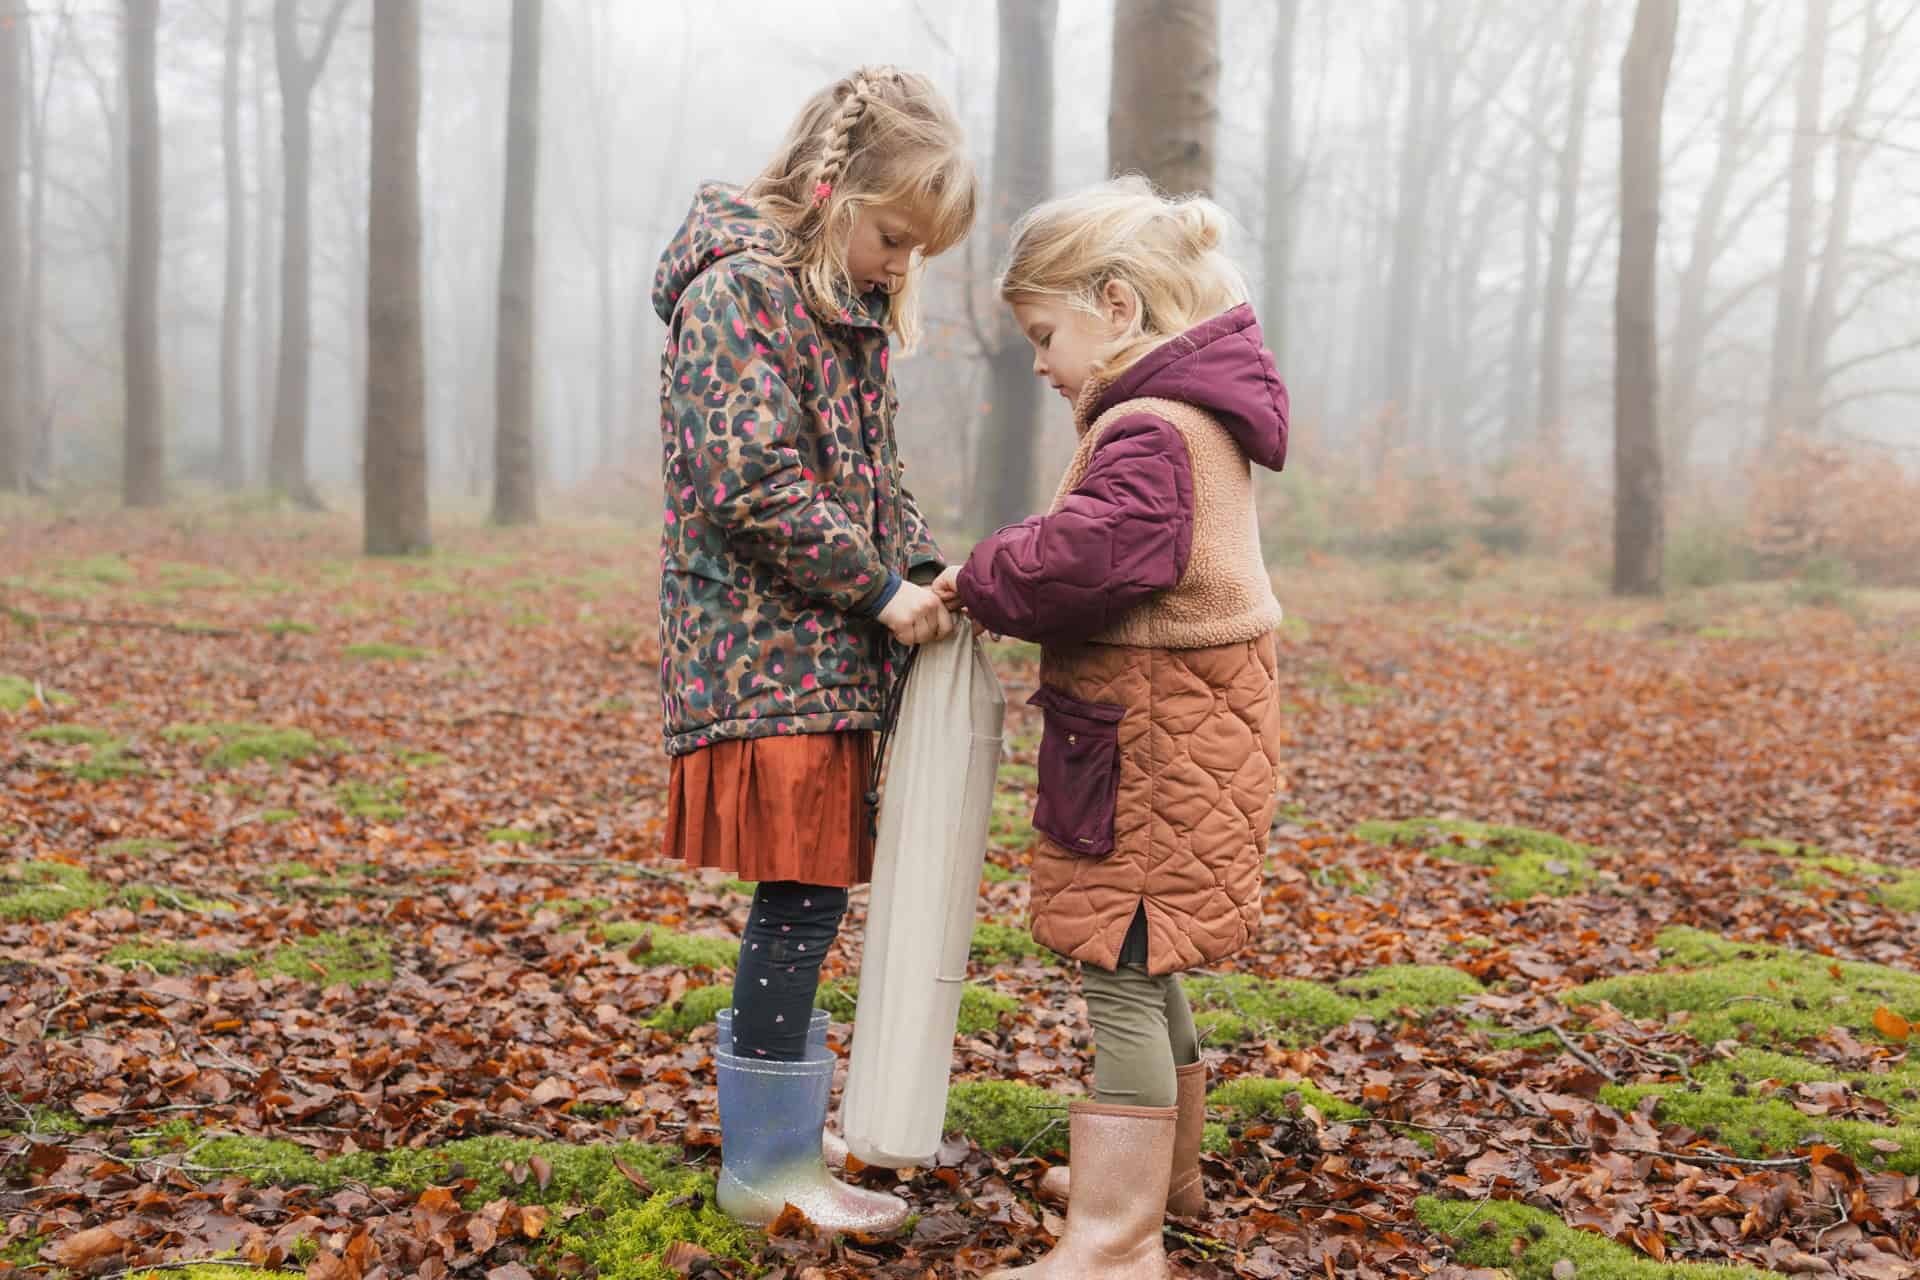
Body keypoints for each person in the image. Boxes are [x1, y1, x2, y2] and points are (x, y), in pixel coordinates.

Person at [934, 175, 1288, 1278]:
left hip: (1154, 752)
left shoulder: (1151, 429)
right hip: (1180, 742)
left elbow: (1084, 562)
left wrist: (975, 576)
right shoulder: (1194, 420)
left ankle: (1117, 1238)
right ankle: (1162, 1178)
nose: (1039, 363)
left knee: (1123, 970)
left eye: (1047, 334)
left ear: (1120, 308)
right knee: (1150, 955)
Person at [651, 65, 976, 1232]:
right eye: (896, 235)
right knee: (800, 897)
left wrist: (930, 568)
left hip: (821, 655)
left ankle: (786, 1127)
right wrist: (880, 590)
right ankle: (768, 1170)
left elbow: (867, 480)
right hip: (761, 657)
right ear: (835, 191)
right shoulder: (738, 293)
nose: (901, 265)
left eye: (917, 251)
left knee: (810, 897)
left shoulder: (838, 313)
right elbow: (752, 483)